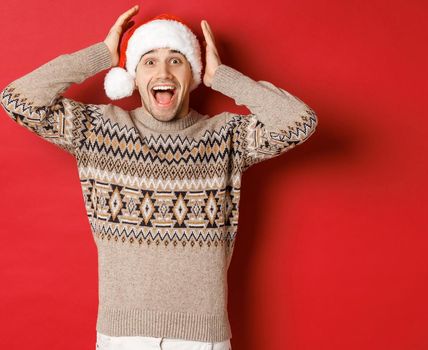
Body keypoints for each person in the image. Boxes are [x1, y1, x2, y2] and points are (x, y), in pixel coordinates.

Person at [1, 5, 317, 350]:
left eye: (176, 60)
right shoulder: (98, 130)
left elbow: (299, 122)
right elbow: (19, 99)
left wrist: (222, 77)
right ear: (133, 77)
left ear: (192, 75)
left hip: (202, 338)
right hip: (122, 335)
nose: (163, 71)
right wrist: (102, 55)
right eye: (149, 61)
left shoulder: (226, 137)